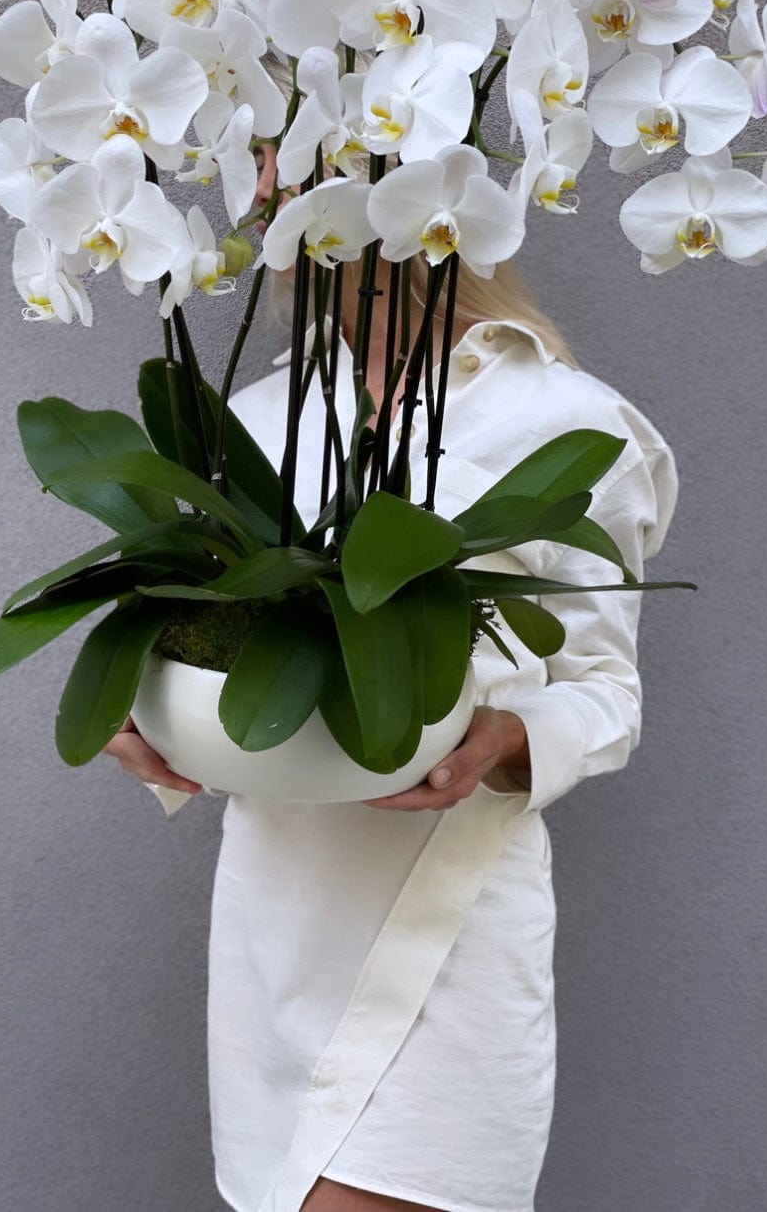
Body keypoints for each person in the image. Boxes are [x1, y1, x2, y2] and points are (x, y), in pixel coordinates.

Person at [104, 140, 680, 1212]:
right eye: (259, 159)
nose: (268, 183)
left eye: (298, 154)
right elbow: (204, 649)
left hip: (446, 921)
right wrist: (146, 721)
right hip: (275, 918)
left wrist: (499, 744)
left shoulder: (565, 419)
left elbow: (608, 693)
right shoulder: (262, 415)